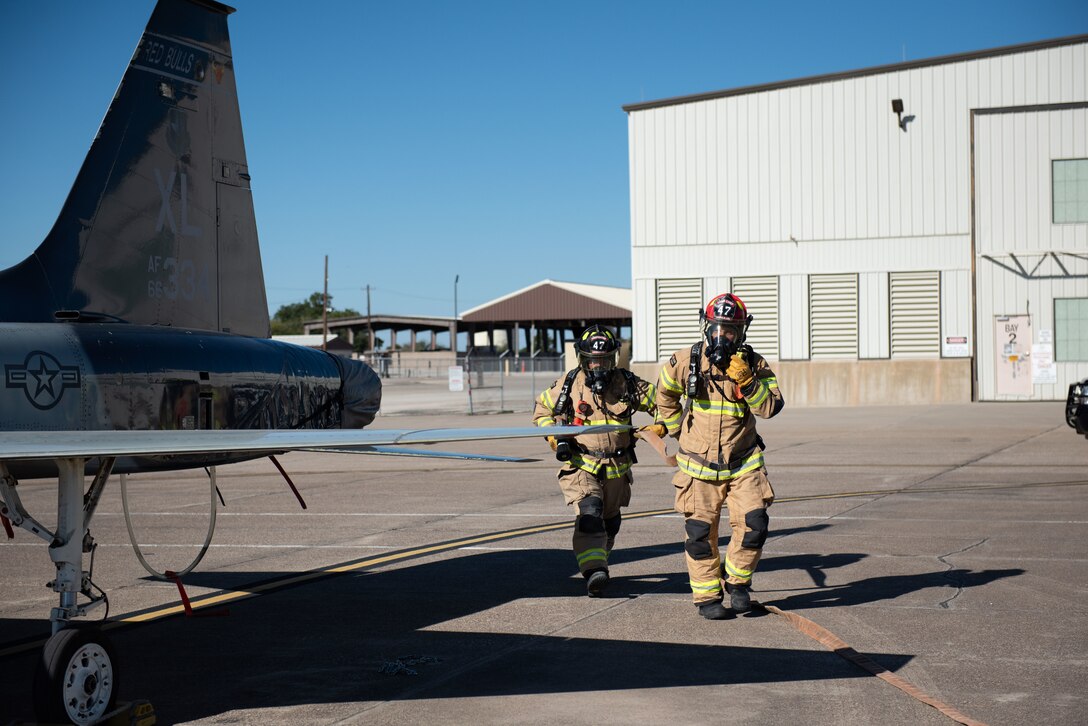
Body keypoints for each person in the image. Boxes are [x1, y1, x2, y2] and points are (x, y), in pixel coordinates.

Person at [656, 293, 784, 619]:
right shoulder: (686, 360)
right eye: (717, 328)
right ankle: (707, 597)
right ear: (706, 326)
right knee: (700, 533)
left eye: (730, 330)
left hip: (744, 463)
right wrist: (675, 431)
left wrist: (748, 381)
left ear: (741, 331)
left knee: (754, 523)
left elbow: (770, 407)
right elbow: (665, 393)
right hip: (698, 466)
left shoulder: (754, 364)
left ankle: (738, 583)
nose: (722, 336)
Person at [532, 324, 659, 597]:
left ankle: (600, 552)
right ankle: (594, 571)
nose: (598, 365)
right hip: (582, 464)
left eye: (604, 359)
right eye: (593, 360)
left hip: (617, 467)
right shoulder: (568, 384)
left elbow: (662, 402)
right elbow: (541, 409)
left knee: (610, 521)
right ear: (582, 359)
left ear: (613, 358)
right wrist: (555, 437)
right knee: (590, 513)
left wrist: (661, 425)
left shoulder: (627, 382)